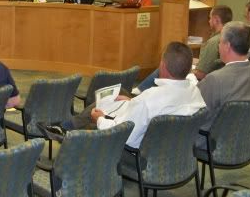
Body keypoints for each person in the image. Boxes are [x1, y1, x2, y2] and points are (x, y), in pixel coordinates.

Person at [72, 42, 205, 149]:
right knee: (121, 96)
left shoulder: (148, 99)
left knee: (92, 120)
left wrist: (100, 119)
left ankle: (68, 133)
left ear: (163, 66)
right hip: (176, 153)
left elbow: (122, 135)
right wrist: (132, 102)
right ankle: (69, 126)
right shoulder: (196, 93)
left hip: (137, 155)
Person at [197, 21, 250, 142]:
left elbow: (196, 114)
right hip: (245, 142)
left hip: (213, 144)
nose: (218, 46)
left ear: (227, 46)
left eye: (220, 42)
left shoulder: (215, 79)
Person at [134, 5, 233, 93]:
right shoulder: (230, 37)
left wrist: (186, 67)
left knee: (168, 65)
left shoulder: (214, 42)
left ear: (216, 20)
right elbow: (212, 62)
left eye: (210, 18)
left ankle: (139, 91)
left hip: (202, 82)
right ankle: (140, 90)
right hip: (215, 79)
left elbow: (201, 74)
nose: (209, 21)